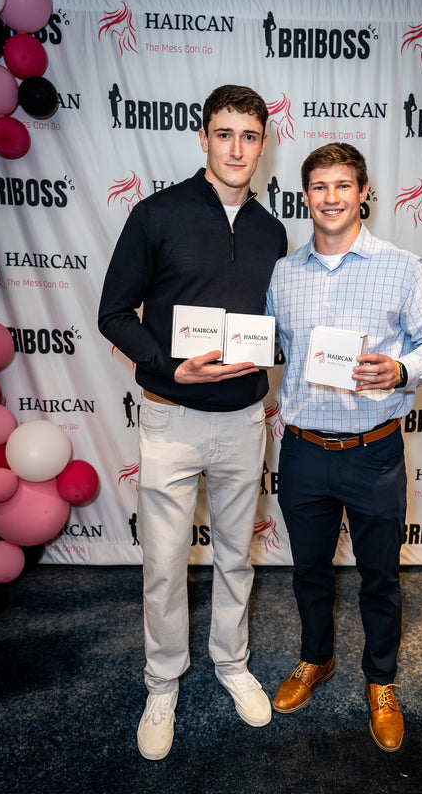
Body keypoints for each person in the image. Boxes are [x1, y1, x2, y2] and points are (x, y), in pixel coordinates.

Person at [98, 84, 287, 761]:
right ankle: (162, 682)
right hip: (170, 416)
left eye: (249, 136)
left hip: (243, 420)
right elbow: (114, 313)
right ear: (203, 138)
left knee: (237, 556)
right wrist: (168, 367)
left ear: (262, 145)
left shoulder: (272, 230)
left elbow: (276, 328)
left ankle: (231, 664)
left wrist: (281, 348)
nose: (236, 148)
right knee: (164, 564)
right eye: (224, 133)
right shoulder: (156, 214)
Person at [266, 143, 422, 752]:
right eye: (319, 187)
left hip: (373, 453)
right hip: (301, 451)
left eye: (342, 186)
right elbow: (271, 347)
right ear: (305, 198)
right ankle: (315, 658)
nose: (331, 198)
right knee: (309, 571)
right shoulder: (284, 272)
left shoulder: (401, 266)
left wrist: (401, 370)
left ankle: (381, 680)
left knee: (379, 576)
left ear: (363, 192)